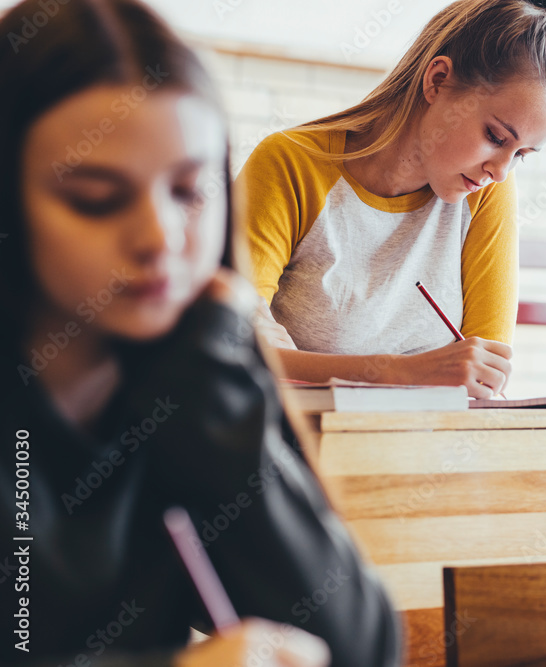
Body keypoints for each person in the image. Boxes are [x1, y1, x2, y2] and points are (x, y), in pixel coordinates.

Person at [0, 0, 400, 664]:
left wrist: (214, 379)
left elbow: (357, 648)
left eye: (189, 191)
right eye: (96, 198)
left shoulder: (191, 366)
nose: (160, 239)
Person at [236, 0, 546, 398]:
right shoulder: (290, 165)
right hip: (296, 448)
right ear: (437, 81)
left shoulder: (487, 194)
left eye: (521, 155)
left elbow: (483, 378)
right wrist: (402, 372)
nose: (500, 171)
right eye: (495, 137)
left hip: (425, 451)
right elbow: (232, 345)